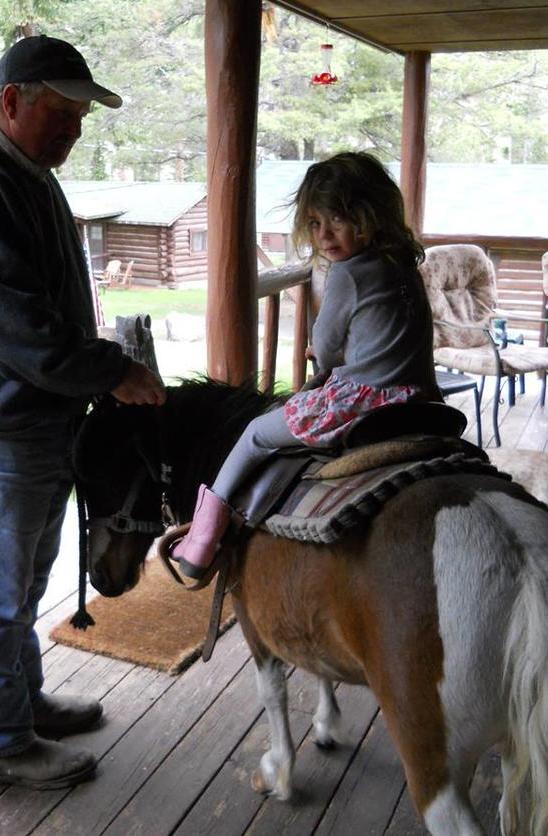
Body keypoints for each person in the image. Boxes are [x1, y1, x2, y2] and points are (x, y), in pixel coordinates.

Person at [0, 35, 166, 790]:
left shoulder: (24, 175)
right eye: (61, 112)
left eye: (81, 116)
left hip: (34, 419)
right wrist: (115, 372)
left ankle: (20, 707)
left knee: (21, 583)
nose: (74, 129)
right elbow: (15, 330)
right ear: (12, 101)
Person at [172, 151, 440, 580]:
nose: (325, 234)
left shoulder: (348, 272)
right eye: (316, 223)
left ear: (370, 216)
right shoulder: (402, 263)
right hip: (418, 392)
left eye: (338, 219)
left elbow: (329, 348)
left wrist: (322, 354)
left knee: (257, 433)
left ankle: (201, 539)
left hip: (366, 401)